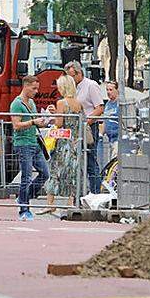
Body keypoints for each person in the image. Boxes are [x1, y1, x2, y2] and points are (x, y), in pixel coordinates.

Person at [9, 75, 49, 221]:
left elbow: (35, 121)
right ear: (25, 86)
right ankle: (24, 209)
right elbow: (16, 125)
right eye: (34, 88)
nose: (36, 91)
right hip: (23, 143)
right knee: (26, 176)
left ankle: (23, 197)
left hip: (34, 142)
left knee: (45, 173)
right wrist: (33, 122)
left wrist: (43, 121)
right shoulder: (16, 104)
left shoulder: (31, 102)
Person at [44, 74, 84, 208]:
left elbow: (60, 123)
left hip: (63, 143)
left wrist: (54, 114)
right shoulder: (78, 103)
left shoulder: (61, 102)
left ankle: (50, 203)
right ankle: (71, 202)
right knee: (72, 172)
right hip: (75, 142)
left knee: (55, 171)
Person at [64, 61, 104, 192]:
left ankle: (95, 193)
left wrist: (86, 123)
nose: (70, 79)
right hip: (75, 127)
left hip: (88, 127)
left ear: (79, 73)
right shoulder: (72, 88)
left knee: (91, 161)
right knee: (77, 162)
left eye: (72, 76)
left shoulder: (91, 85)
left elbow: (99, 108)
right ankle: (79, 193)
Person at [102, 81, 120, 163]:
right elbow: (105, 121)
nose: (108, 92)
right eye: (107, 90)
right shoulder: (108, 104)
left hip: (118, 139)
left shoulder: (120, 104)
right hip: (109, 139)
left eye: (111, 89)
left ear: (117, 90)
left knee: (114, 161)